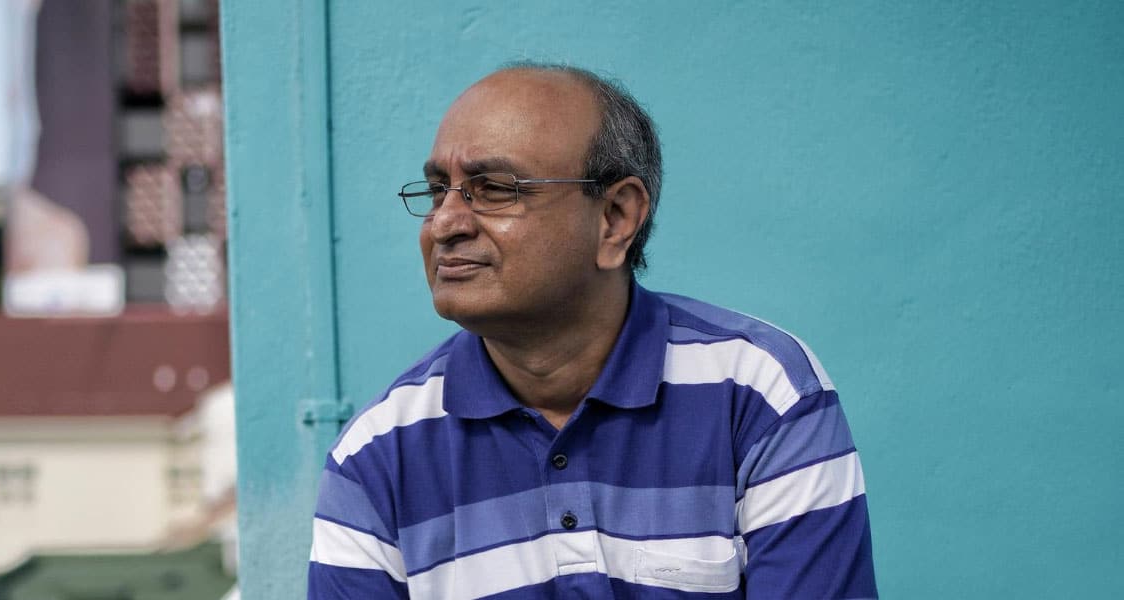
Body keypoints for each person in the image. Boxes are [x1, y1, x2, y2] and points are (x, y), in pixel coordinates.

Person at [307, 63, 877, 599]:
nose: (447, 223)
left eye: (496, 188)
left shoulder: (759, 394)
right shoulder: (376, 459)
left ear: (615, 219)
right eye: (439, 191)